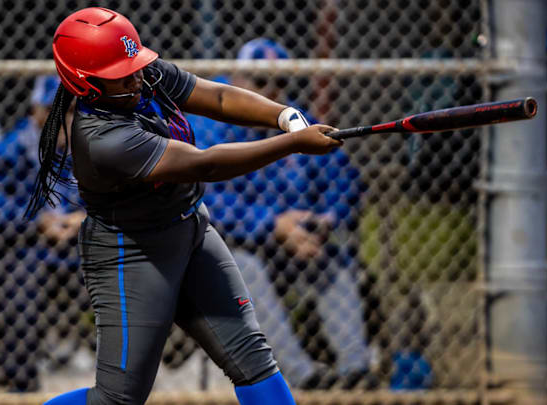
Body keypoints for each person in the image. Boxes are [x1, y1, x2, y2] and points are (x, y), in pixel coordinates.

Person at [35, 7, 342, 405]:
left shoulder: (142, 75)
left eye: (136, 64)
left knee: (254, 360)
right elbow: (205, 163)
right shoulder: (101, 138)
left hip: (192, 233)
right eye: (120, 75)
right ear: (86, 84)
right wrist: (293, 144)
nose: (137, 77)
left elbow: (215, 95)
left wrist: (286, 117)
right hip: (133, 255)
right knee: (118, 398)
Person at [189, 38, 376, 390]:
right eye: (261, 82)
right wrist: (273, 224)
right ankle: (303, 378)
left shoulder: (298, 122)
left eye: (280, 82)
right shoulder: (210, 125)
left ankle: (356, 373)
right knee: (247, 271)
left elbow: (344, 181)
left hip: (299, 247)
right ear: (238, 80)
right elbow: (207, 198)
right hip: (236, 245)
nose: (272, 90)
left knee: (333, 263)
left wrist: (323, 222)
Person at [0, 75, 85, 391]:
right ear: (37, 113)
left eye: (72, 113)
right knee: (20, 289)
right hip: (24, 246)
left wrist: (84, 218)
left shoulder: (86, 150)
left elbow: (113, 195)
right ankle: (22, 386)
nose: (66, 121)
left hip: (78, 243)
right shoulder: (12, 150)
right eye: (57, 113)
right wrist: (35, 221)